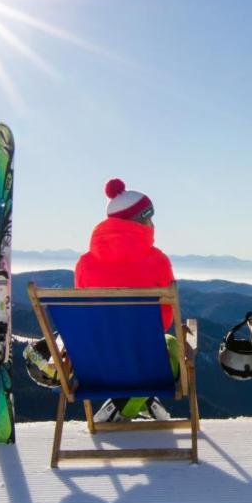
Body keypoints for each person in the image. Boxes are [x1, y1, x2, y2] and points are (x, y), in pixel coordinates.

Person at [73, 179, 179, 422]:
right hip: (145, 358)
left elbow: (85, 316)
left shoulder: (85, 264)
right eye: (149, 218)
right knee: (173, 348)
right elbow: (165, 319)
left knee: (162, 346)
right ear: (138, 221)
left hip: (96, 363)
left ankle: (140, 400)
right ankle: (126, 406)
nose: (153, 224)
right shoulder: (158, 261)